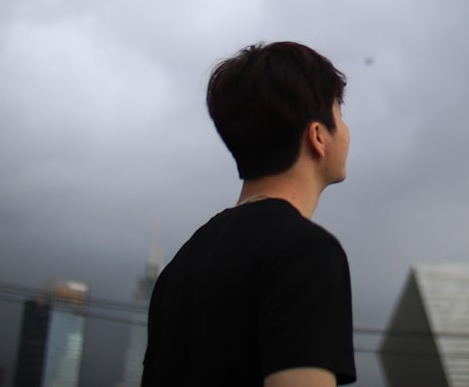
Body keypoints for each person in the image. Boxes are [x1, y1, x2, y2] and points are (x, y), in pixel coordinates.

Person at [142, 42, 356, 386]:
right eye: (340, 116)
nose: (346, 131)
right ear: (318, 136)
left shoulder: (179, 268)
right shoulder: (305, 253)